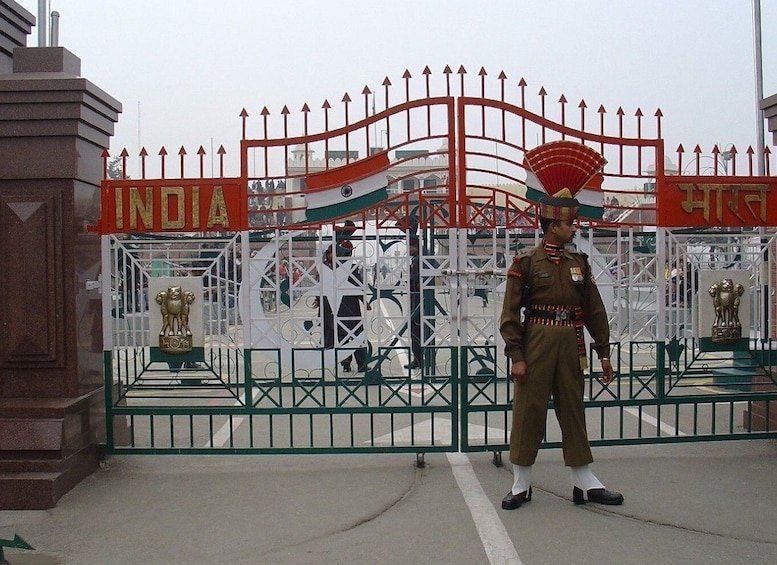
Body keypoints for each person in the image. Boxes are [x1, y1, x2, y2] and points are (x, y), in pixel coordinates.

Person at [499, 173, 623, 510]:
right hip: (536, 340)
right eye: (570, 224)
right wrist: (516, 356)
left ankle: (584, 482)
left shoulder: (578, 263)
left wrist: (604, 353)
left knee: (573, 407)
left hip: (571, 341)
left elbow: (594, 311)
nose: (574, 229)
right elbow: (509, 316)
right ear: (554, 225)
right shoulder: (525, 264)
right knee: (528, 411)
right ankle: (521, 484)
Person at [404, 235, 422, 370]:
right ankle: (419, 358)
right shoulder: (417, 260)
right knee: (418, 331)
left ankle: (418, 359)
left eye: (409, 246)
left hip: (418, 301)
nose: (408, 249)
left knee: (416, 331)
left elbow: (414, 279)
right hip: (417, 300)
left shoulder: (417, 262)